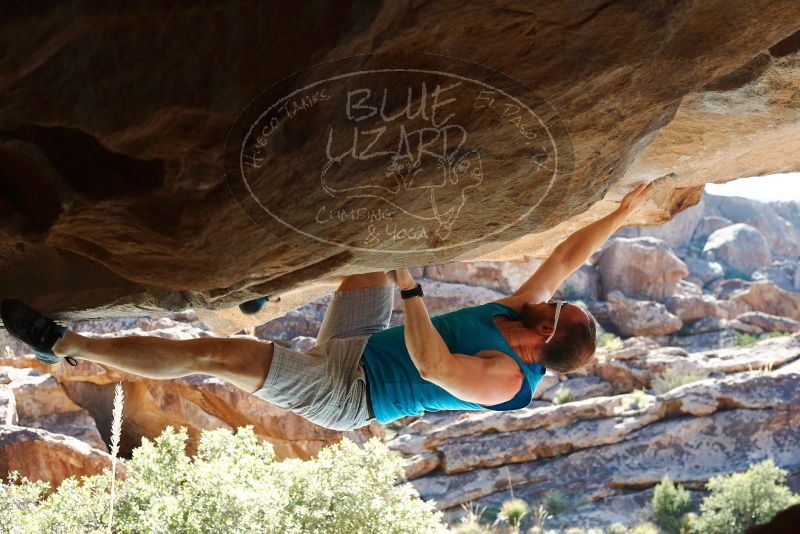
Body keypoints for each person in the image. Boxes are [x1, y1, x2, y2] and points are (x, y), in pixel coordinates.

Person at [1, 183, 654, 431]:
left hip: (348, 393)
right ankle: (262, 286)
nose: (555, 297)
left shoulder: (509, 381)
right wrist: (622, 213)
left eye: (557, 309)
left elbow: (428, 364)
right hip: (363, 345)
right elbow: (567, 257)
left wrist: (412, 287)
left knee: (215, 355)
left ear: (545, 334)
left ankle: (60, 345)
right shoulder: (524, 312)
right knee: (364, 250)